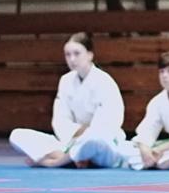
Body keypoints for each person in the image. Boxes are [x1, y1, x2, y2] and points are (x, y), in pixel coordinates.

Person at [8, 33, 126, 168]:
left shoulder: (105, 82)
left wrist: (84, 134)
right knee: (17, 135)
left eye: (77, 54)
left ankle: (56, 161)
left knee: (93, 140)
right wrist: (78, 133)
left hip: (102, 145)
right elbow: (60, 121)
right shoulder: (65, 81)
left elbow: (107, 126)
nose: (72, 59)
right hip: (71, 142)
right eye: (68, 55)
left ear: (90, 55)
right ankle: (73, 158)